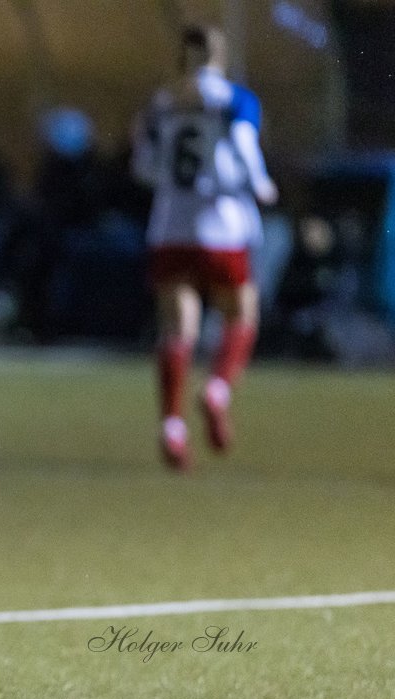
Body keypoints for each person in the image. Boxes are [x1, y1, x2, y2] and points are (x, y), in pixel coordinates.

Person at [131, 24, 278, 470]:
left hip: (170, 226)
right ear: (219, 56)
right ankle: (216, 390)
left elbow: (144, 167)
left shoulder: (162, 103)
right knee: (242, 313)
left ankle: (172, 428)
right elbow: (245, 147)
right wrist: (260, 184)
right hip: (222, 224)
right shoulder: (235, 100)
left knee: (177, 329)